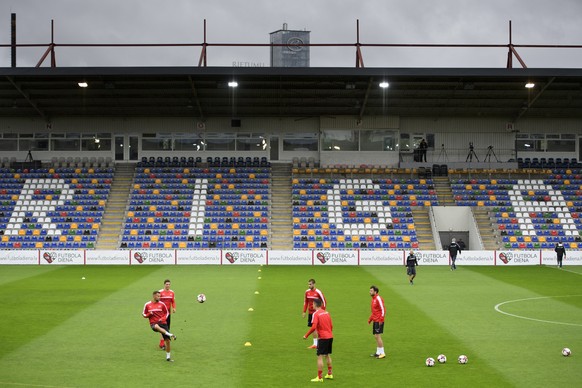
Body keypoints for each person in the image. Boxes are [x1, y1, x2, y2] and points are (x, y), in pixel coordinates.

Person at [303, 299, 334, 382]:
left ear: (315, 304)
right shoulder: (327, 313)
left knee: (319, 356)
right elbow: (331, 325)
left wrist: (306, 335)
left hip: (323, 338)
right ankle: (330, 374)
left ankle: (319, 377)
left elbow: (313, 327)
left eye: (312, 304)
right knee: (327, 355)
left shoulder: (315, 314)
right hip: (330, 336)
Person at [143, 290, 177, 362]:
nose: (159, 297)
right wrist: (149, 314)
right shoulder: (147, 304)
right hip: (153, 324)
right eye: (158, 296)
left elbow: (167, 313)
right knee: (156, 326)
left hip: (163, 323)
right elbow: (143, 314)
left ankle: (168, 357)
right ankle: (170, 334)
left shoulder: (162, 304)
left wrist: (163, 318)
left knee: (167, 341)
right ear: (154, 296)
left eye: (160, 296)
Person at [302, 278, 327, 349]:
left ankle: (319, 343)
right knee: (313, 328)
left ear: (314, 284)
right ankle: (316, 344)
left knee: (317, 328)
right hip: (310, 313)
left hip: (317, 313)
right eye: (308, 284)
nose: (309, 285)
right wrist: (304, 311)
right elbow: (305, 302)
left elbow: (324, 301)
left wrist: (322, 311)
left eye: (310, 284)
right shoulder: (307, 292)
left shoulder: (318, 292)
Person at [368, 285, 386, 359]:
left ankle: (382, 353)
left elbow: (383, 309)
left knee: (378, 336)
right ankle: (378, 352)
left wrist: (381, 319)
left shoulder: (378, 298)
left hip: (379, 320)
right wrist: (370, 319)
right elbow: (374, 311)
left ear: (375, 292)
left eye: (371, 291)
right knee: (376, 336)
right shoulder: (373, 299)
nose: (370, 292)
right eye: (370, 290)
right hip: (375, 320)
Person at [158, 279, 176, 350]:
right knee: (162, 328)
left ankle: (165, 341)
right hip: (161, 313)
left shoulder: (172, 292)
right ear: (164, 285)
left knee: (167, 328)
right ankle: (162, 343)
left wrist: (174, 308)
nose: (168, 285)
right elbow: (157, 301)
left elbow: (173, 301)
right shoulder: (160, 292)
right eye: (166, 284)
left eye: (169, 284)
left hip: (168, 313)